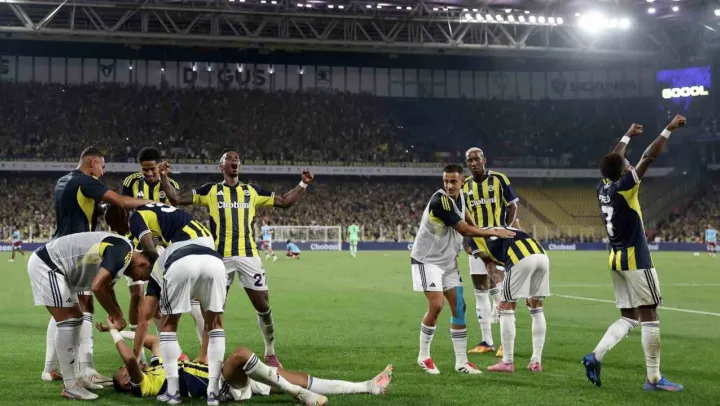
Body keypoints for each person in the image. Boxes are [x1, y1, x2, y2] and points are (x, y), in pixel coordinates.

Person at [161, 150, 314, 368]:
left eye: (237, 159)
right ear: (221, 166)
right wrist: (164, 177)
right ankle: (209, 357)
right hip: (220, 259)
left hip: (248, 256)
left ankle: (270, 351)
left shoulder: (251, 191)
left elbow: (284, 201)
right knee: (213, 310)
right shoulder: (211, 190)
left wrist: (303, 183)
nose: (234, 161)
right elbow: (176, 198)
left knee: (263, 306)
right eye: (229, 159)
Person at [583, 117, 686, 392]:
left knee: (630, 317)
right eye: (627, 164)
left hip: (615, 258)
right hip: (635, 259)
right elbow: (648, 157)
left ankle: (595, 356)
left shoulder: (603, 186)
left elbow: (614, 159)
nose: (629, 164)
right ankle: (654, 379)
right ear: (623, 171)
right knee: (650, 313)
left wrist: (626, 135)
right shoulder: (625, 186)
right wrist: (668, 129)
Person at [44, 146, 152, 387]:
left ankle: (50, 368)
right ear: (92, 162)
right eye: (102, 166)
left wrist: (106, 211)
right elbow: (121, 201)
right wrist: (151, 203)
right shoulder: (85, 181)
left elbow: (86, 208)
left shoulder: (63, 181)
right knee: (85, 306)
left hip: (60, 247)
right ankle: (86, 368)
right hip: (77, 253)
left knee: (64, 309)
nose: (102, 172)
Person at [104, 201, 218, 402]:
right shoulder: (148, 215)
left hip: (187, 245)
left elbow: (150, 248)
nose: (116, 230)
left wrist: (161, 278)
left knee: (165, 318)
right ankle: (204, 356)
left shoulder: (135, 219)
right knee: (205, 307)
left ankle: (181, 381)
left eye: (114, 226)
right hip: (205, 241)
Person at [101, 328, 393, 405]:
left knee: (299, 377)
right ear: (127, 382)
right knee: (240, 355)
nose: (126, 369)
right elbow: (130, 359)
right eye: (123, 373)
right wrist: (114, 334)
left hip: (231, 380)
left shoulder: (155, 368)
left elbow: (152, 340)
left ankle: (368, 387)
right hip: (222, 388)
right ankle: (299, 395)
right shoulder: (145, 385)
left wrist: (122, 330)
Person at [411, 163, 515, 375]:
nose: (449, 185)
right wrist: (494, 232)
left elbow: (470, 222)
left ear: (462, 182)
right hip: (427, 261)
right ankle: (424, 356)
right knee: (437, 305)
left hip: (448, 262)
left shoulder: (462, 197)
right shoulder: (440, 201)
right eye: (446, 181)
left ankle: (461, 362)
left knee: (459, 307)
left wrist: (479, 238)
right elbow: (464, 229)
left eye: (453, 181)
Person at [27, 231, 153, 400]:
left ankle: (77, 378)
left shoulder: (124, 252)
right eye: (144, 277)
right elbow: (97, 287)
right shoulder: (123, 251)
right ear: (143, 264)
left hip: (60, 269)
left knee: (77, 319)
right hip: (49, 265)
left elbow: (107, 286)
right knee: (69, 320)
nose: (139, 279)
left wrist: (118, 314)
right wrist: (116, 316)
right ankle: (71, 386)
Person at [120, 147, 204, 354]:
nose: (149, 173)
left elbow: (173, 211)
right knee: (138, 294)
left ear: (159, 166)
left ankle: (201, 351)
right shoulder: (130, 182)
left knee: (186, 300)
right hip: (137, 245)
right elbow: (124, 210)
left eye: (152, 169)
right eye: (145, 169)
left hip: (164, 246)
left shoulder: (170, 185)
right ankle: (146, 351)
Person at [468, 228, 549, 373]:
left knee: (506, 309)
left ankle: (507, 362)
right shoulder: (504, 227)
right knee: (536, 308)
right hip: (542, 256)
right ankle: (536, 361)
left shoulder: (473, 238)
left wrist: (501, 293)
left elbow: (490, 266)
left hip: (520, 258)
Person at [463, 147, 519, 355]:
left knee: (501, 288)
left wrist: (506, 228)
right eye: (470, 160)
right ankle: (487, 341)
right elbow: (463, 216)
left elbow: (513, 206)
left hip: (497, 242)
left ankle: (505, 342)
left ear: (484, 160)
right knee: (480, 290)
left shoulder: (499, 179)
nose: (473, 163)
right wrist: (466, 239)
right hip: (476, 241)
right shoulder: (465, 186)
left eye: (476, 159)